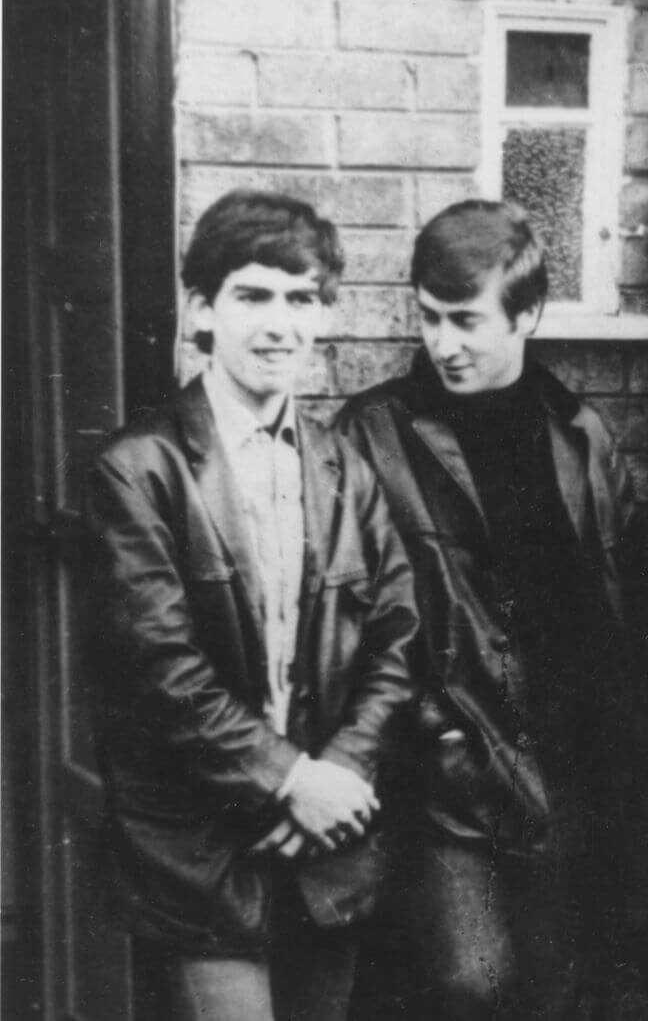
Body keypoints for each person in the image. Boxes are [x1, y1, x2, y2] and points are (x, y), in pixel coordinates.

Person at [85, 189, 421, 1021]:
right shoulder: (140, 470)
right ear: (203, 310)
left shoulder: (345, 467)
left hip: (326, 842)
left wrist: (337, 775)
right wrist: (286, 780)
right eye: (253, 296)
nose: (280, 324)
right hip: (206, 852)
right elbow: (159, 672)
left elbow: (398, 637)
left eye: (301, 299)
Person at [338, 199, 634, 1020]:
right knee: (473, 985)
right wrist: (436, 729)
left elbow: (620, 606)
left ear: (529, 312)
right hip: (447, 778)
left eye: (465, 320)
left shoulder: (583, 436)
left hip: (569, 769)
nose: (443, 343)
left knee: (560, 989)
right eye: (429, 319)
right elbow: (352, 629)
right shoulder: (372, 435)